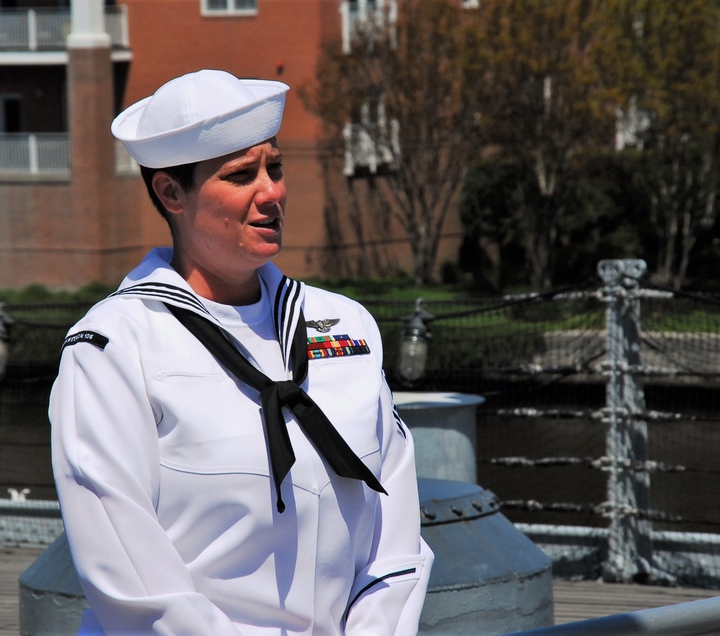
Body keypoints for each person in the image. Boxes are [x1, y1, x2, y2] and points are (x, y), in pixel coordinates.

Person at [50, 69, 434, 635]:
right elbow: (131, 578)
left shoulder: (347, 328)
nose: (272, 191)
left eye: (274, 168)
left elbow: (395, 545)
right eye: (240, 175)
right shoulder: (112, 346)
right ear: (171, 192)